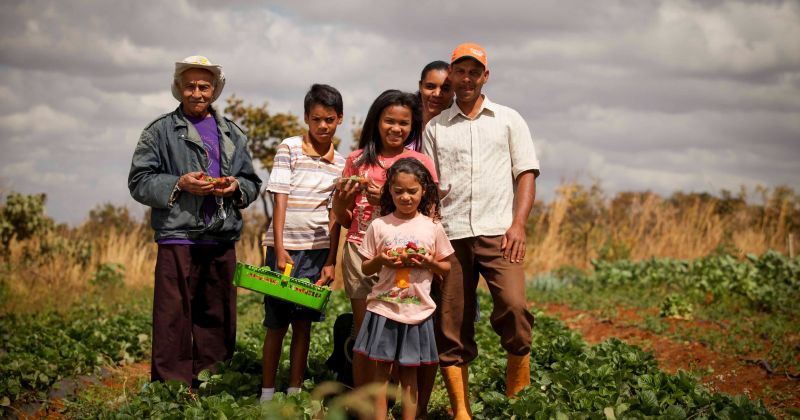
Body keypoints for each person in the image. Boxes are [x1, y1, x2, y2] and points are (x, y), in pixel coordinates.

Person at [128, 55, 262, 386]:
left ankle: (212, 382)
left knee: (217, 313)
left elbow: (251, 182)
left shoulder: (232, 132)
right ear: (178, 89)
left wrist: (234, 187)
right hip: (178, 234)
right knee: (172, 315)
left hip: (220, 236)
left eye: (204, 86)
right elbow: (139, 181)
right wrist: (179, 183)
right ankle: (172, 387)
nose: (197, 92)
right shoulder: (159, 131)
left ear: (215, 90)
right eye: (190, 86)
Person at [423, 43, 540, 418]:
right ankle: (461, 411)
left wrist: (518, 224)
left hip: (499, 233)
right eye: (461, 71)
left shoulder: (508, 119)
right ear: (451, 76)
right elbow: (429, 187)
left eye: (475, 71)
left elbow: (525, 174)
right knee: (451, 322)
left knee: (515, 308)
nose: (468, 78)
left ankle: (516, 399)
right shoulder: (435, 128)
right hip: (451, 236)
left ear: (485, 76)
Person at [332, 90, 439, 390]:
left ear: (412, 126)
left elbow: (430, 214)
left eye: (403, 123)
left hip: (405, 257)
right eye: (389, 121)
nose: (396, 128)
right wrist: (342, 200)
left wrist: (385, 203)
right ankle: (364, 400)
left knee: (400, 328)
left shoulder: (420, 163)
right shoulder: (357, 160)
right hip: (359, 251)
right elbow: (343, 218)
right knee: (367, 332)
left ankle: (391, 397)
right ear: (376, 121)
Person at [259, 84, 346, 401]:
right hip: (285, 251)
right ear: (307, 118)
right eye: (317, 119)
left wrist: (330, 260)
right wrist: (279, 247)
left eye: (330, 119)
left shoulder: (342, 164)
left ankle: (294, 392)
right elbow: (280, 197)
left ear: (340, 119)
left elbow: (335, 215)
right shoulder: (289, 148)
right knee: (277, 322)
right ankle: (267, 393)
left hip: (317, 251)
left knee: (304, 324)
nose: (323, 126)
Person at [353, 157, 454, 420]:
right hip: (384, 309)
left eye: (412, 191)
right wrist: (382, 260)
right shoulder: (380, 224)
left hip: (417, 312)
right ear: (390, 192)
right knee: (381, 374)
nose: (405, 197)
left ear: (424, 192)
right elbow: (366, 268)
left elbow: (446, 268)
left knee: (410, 375)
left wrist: (430, 262)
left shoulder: (432, 227)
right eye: (398, 191)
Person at [407, 60, 454, 152]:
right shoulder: (404, 123)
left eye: (445, 88)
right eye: (430, 87)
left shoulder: (459, 128)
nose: (437, 94)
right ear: (420, 86)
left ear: (454, 92)